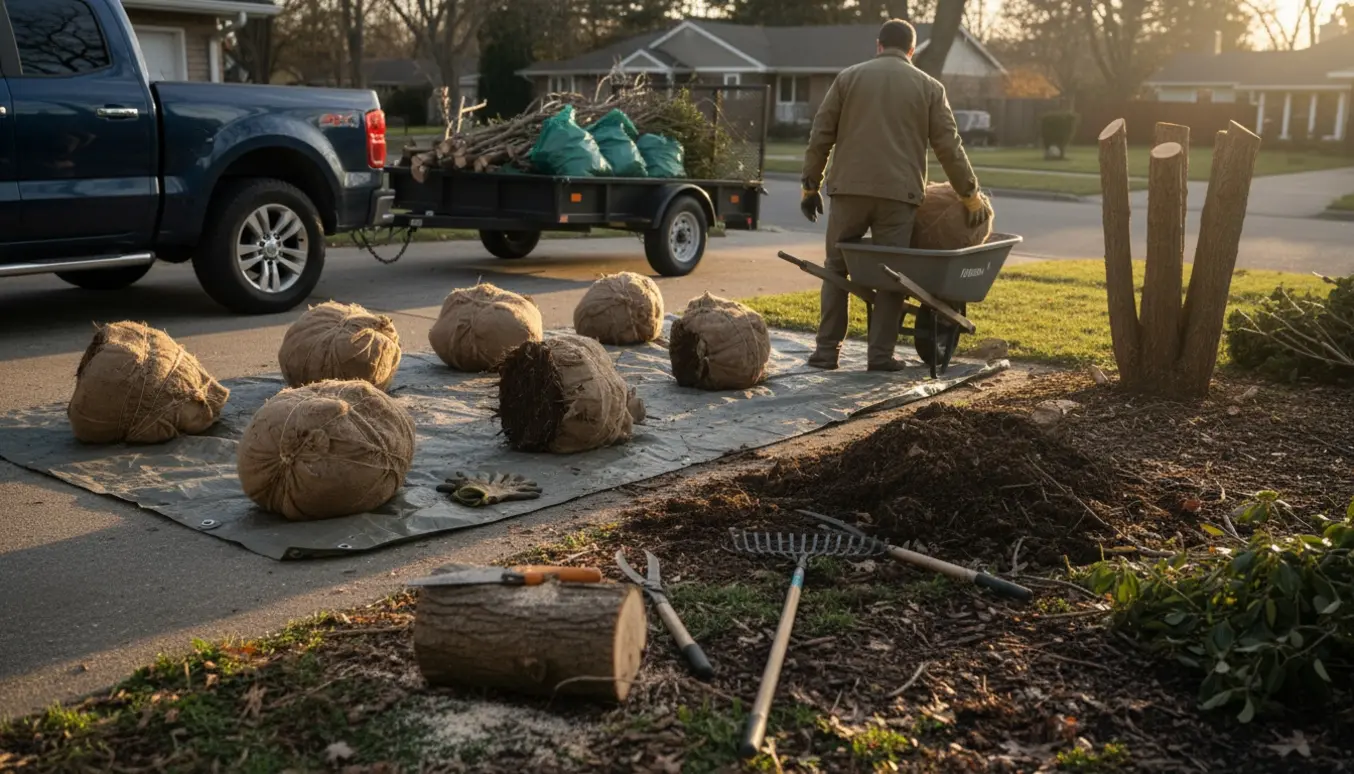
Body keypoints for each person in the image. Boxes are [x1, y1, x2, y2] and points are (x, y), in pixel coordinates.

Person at [800, 18, 992, 371]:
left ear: (878, 45)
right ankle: (880, 356)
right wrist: (970, 195)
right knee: (893, 273)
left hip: (848, 191)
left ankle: (826, 352)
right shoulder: (929, 87)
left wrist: (810, 185)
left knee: (836, 269)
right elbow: (949, 147)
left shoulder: (848, 78)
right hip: (898, 197)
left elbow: (821, 134)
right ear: (912, 50)